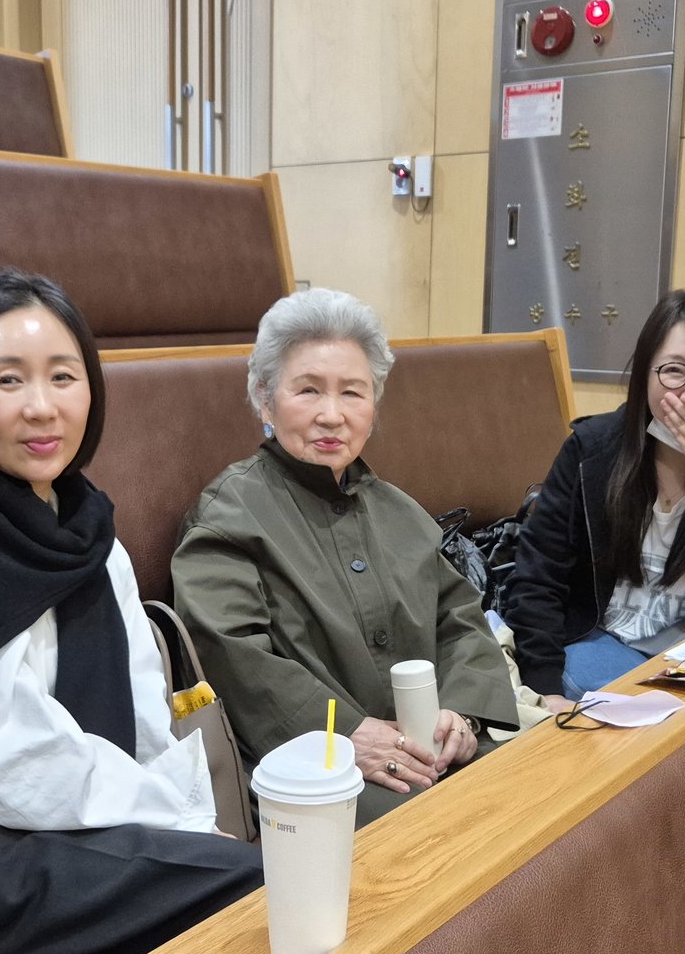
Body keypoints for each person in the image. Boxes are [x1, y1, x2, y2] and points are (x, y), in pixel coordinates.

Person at [0, 269, 261, 954]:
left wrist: (188, 824)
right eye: (8, 380)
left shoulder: (88, 528)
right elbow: (5, 767)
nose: (42, 406)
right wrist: (176, 830)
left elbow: (146, 708)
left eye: (63, 377)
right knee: (253, 896)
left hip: (89, 831)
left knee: (230, 933)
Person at [173, 287, 518, 824]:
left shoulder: (400, 511)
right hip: (307, 765)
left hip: (426, 748)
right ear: (265, 399)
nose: (332, 415)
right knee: (446, 828)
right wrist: (345, 736)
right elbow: (231, 655)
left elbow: (459, 620)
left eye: (353, 393)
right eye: (308, 390)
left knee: (535, 794)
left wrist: (462, 715)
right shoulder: (228, 516)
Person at [502, 286, 685, 708]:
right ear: (645, 375)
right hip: (596, 649)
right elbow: (538, 579)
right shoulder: (591, 450)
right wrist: (545, 691)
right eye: (674, 371)